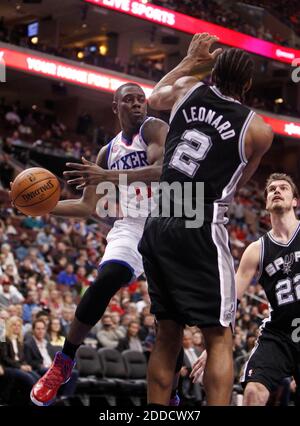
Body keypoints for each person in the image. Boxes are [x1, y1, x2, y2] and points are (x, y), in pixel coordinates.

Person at [137, 33, 273, 405]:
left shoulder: (186, 89)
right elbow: (237, 182)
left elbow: (153, 98)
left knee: (167, 331)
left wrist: (188, 59)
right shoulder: (258, 130)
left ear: (211, 71)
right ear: (247, 84)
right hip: (199, 220)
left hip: (160, 216)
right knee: (219, 336)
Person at [29, 82, 182, 406]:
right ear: (116, 107)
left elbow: (161, 170)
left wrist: (108, 177)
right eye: (129, 100)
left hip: (167, 223)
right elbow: (87, 206)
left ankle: (174, 393)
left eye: (141, 99)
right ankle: (64, 362)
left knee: (170, 319)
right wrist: (44, 205)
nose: (138, 104)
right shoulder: (107, 153)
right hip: (131, 225)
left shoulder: (154, 128)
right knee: (106, 279)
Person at [191, 173, 300, 405]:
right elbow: (232, 301)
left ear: (294, 201)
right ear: (267, 203)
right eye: (271, 189)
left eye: (283, 188)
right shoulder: (256, 250)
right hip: (279, 334)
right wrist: (213, 345)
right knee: (253, 392)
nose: (277, 191)